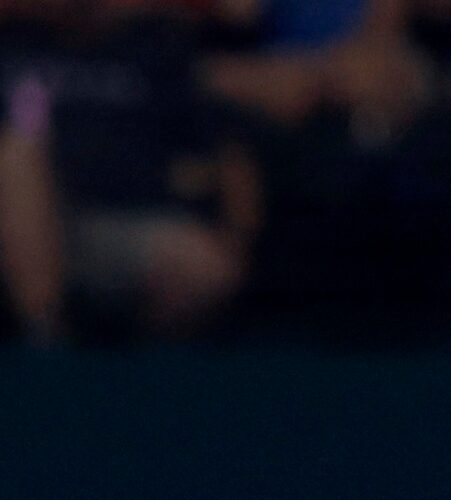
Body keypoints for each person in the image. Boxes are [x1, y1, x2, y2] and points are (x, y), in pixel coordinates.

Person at [0, 0, 259, 343]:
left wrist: (237, 232)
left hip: (122, 222)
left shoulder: (153, 44)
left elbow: (221, 143)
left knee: (203, 266)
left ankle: (141, 373)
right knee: (17, 154)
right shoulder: (11, 44)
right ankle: (48, 348)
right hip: (22, 222)